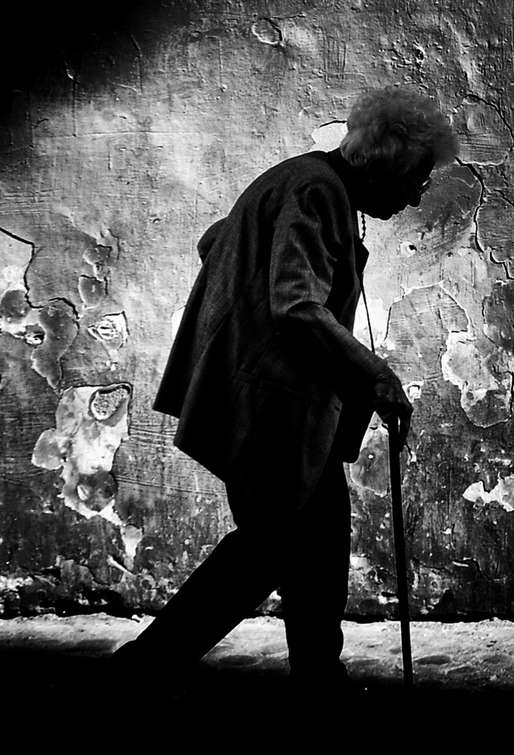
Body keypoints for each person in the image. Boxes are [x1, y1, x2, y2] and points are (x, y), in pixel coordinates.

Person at [117, 84, 456, 690]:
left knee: (314, 540)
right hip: (271, 404)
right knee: (273, 547)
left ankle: (315, 676)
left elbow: (216, 239)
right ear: (388, 164)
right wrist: (375, 375)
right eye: (417, 179)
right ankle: (144, 669)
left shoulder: (304, 181)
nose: (416, 195)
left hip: (274, 401)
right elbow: (295, 302)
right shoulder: (318, 191)